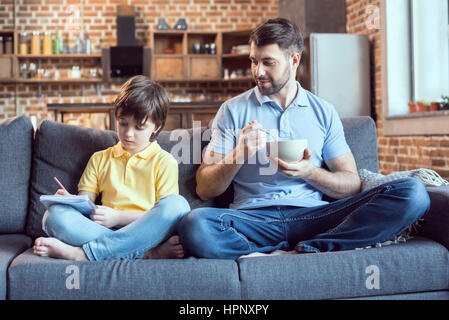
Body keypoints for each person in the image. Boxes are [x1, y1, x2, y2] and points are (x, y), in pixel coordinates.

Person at [177, 18, 430, 259]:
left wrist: (310, 172)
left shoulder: (323, 111)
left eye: (268, 62)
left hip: (314, 218)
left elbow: (351, 185)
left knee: (413, 193)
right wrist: (239, 152)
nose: (258, 71)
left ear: (294, 60)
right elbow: (205, 188)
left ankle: (306, 249)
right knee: (194, 224)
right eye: (254, 61)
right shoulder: (232, 110)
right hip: (253, 221)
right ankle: (291, 249)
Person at [33, 75, 190, 261]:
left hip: (145, 232)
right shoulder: (100, 159)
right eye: (123, 123)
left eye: (139, 127)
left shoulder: (165, 161)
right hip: (101, 229)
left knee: (178, 205)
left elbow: (165, 216)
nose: (128, 134)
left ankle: (82, 254)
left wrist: (118, 217)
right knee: (53, 215)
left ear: (157, 126)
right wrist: (71, 201)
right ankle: (145, 254)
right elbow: (86, 204)